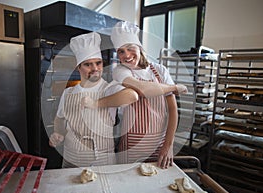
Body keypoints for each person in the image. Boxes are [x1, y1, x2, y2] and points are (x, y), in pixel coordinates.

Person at [82, 21, 187, 169]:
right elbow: (142, 89)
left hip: (160, 142)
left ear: (140, 47)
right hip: (132, 144)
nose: (126, 55)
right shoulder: (120, 71)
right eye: (121, 51)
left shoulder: (160, 70)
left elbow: (172, 109)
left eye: (130, 48)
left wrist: (168, 145)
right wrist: (174, 87)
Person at [49, 32, 138, 168]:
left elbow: (132, 95)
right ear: (79, 67)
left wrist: (96, 103)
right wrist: (58, 133)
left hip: (101, 162)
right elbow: (59, 119)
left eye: (98, 63)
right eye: (88, 65)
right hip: (71, 160)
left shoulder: (110, 89)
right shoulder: (68, 93)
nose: (95, 68)